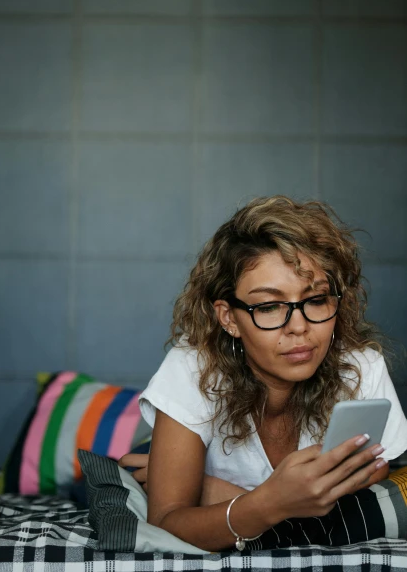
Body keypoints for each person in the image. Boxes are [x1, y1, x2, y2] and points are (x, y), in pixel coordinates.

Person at [119, 196, 407, 552]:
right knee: (119, 480)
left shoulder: (361, 367)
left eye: (316, 299)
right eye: (269, 307)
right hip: (162, 443)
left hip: (217, 486)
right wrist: (268, 502)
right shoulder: (192, 368)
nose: (299, 327)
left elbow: (378, 468)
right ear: (228, 318)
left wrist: (226, 493)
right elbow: (165, 520)